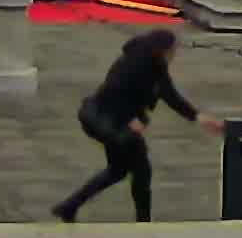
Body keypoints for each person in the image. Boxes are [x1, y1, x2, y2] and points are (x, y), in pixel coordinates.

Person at [52, 28, 215, 223]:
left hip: (115, 122)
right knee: (140, 171)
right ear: (162, 50)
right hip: (109, 122)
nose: (174, 54)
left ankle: (69, 206)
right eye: (172, 50)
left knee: (118, 170)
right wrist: (129, 118)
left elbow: (169, 94)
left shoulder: (156, 65)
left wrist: (196, 116)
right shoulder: (133, 63)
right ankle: (143, 221)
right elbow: (113, 91)